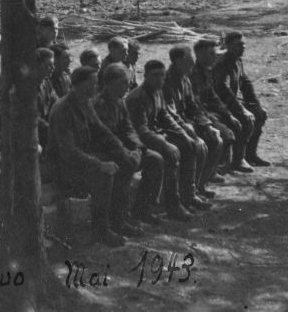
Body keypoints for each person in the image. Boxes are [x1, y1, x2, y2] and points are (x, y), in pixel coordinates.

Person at [47, 66, 134, 247]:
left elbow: (102, 131)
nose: (96, 87)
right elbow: (68, 152)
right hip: (62, 167)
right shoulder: (63, 109)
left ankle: (118, 221)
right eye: (93, 84)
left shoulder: (84, 103)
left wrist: (122, 151)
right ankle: (101, 230)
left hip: (80, 161)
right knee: (103, 174)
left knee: (123, 162)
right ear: (80, 85)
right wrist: (99, 164)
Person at [126, 60, 205, 219]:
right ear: (145, 76)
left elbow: (165, 116)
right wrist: (165, 143)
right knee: (169, 154)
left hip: (155, 135)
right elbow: (141, 130)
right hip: (139, 140)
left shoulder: (158, 92)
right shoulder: (138, 97)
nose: (159, 79)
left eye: (162, 76)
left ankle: (188, 195)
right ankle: (172, 206)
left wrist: (183, 133)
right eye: (155, 75)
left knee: (188, 145)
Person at [93, 63, 165, 227]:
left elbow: (129, 129)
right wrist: (127, 152)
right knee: (126, 165)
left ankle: (142, 209)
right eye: (122, 83)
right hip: (106, 152)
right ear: (109, 83)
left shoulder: (120, 101)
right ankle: (119, 219)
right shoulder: (99, 105)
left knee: (155, 160)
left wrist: (138, 148)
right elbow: (105, 137)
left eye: (127, 82)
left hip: (124, 150)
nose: (126, 87)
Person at [164, 46, 223, 199]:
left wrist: (207, 125)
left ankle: (200, 185)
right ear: (179, 61)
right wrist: (190, 131)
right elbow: (170, 114)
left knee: (216, 139)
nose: (192, 64)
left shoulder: (185, 79)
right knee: (198, 146)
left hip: (186, 123)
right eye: (189, 61)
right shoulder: (167, 81)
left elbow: (193, 105)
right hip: (171, 127)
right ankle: (188, 192)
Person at [212, 31, 269, 172]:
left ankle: (251, 154)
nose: (242, 48)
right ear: (228, 45)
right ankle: (238, 159)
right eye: (238, 45)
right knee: (246, 119)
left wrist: (256, 105)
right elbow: (222, 89)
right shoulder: (222, 63)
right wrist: (241, 109)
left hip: (232, 101)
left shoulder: (238, 61)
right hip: (219, 104)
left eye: (243, 45)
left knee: (260, 114)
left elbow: (246, 83)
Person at [190, 39, 242, 178]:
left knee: (234, 123)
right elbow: (195, 103)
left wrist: (228, 114)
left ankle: (220, 166)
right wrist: (211, 119)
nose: (215, 58)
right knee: (225, 134)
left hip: (207, 113)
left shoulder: (207, 71)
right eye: (211, 54)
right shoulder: (193, 74)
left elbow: (213, 97)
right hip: (196, 116)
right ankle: (208, 173)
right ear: (200, 55)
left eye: (215, 54)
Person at [36, 48, 58, 150]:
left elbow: (56, 102)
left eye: (53, 65)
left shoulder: (46, 83)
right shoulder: (25, 88)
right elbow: (33, 118)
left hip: (45, 128)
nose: (53, 68)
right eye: (49, 65)